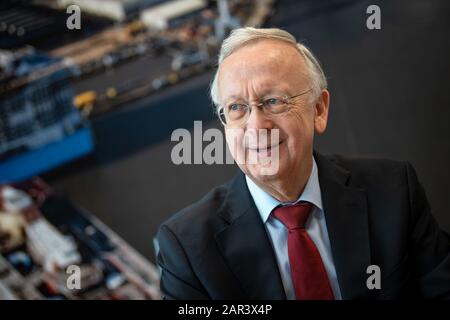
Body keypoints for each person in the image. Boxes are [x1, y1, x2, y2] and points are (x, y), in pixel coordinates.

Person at [156, 27, 450, 299]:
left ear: (319, 110)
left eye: (273, 101)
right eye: (236, 108)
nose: (256, 125)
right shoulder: (187, 248)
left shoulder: (394, 191)